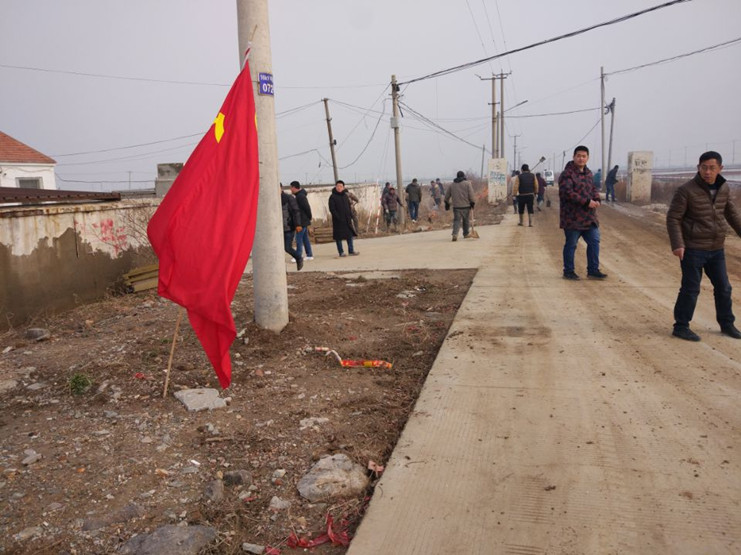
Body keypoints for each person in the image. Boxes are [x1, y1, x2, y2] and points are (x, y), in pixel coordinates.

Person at [666, 151, 741, 341]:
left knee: (724, 287)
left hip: (716, 248)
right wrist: (678, 244)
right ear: (698, 168)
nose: (707, 172)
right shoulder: (686, 190)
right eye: (704, 167)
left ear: (720, 168)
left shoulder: (723, 188)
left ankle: (727, 324)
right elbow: (673, 218)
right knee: (691, 288)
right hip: (693, 248)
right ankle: (681, 326)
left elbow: (731, 214)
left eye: (712, 168)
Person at [559, 145, 606, 280]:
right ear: (574, 157)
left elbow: (592, 189)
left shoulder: (588, 173)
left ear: (587, 158)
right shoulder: (567, 174)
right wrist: (586, 202)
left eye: (584, 156)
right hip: (572, 217)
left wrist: (596, 199)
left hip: (589, 217)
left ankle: (593, 270)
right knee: (571, 244)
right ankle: (568, 271)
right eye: (578, 156)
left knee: (594, 241)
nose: (581, 158)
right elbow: (568, 193)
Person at [328, 180, 359, 257]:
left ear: (343, 187)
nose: (339, 188)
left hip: (347, 219)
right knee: (338, 237)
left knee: (349, 235)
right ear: (335, 187)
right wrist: (338, 217)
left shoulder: (345, 196)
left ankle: (351, 251)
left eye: (341, 186)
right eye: (338, 186)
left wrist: (350, 215)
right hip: (338, 221)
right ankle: (341, 252)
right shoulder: (332, 197)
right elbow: (332, 209)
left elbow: (349, 207)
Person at [445, 170, 476, 242]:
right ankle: (466, 233)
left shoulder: (452, 185)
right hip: (466, 206)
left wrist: (447, 203)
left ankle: (455, 234)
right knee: (466, 220)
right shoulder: (467, 184)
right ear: (463, 176)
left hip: (456, 206)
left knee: (457, 221)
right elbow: (471, 194)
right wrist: (472, 202)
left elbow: (447, 195)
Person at [290, 181, 314, 261]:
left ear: (294, 187)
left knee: (299, 239)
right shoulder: (299, 196)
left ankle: (298, 256)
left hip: (301, 221)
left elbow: (307, 208)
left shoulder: (300, 196)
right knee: (305, 238)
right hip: (303, 220)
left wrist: (309, 217)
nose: (290, 190)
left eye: (291, 188)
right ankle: (309, 254)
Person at [281, 187, 303, 270]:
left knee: (287, 248)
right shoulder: (272, 199)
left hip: (289, 227)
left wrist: (298, 224)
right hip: (278, 229)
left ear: (281, 188)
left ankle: (299, 257)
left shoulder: (288, 198)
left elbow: (296, 211)